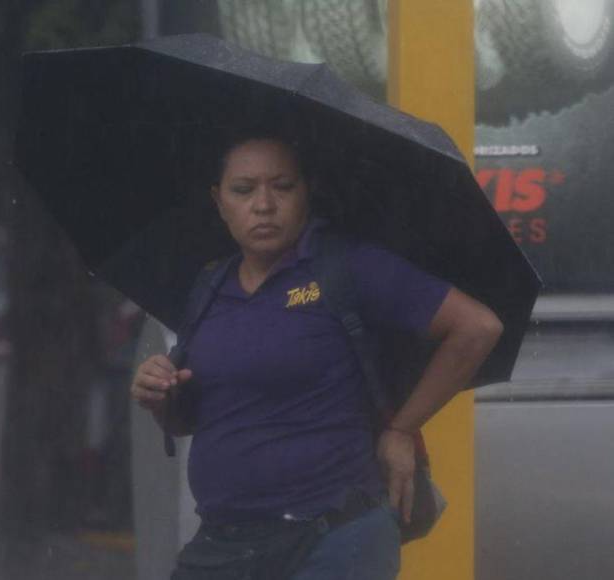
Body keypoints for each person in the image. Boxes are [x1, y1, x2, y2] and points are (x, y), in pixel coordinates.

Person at [130, 133, 503, 579]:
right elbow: (188, 420)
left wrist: (403, 428)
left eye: (282, 186)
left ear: (306, 191)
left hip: (334, 538)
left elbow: (478, 328)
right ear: (219, 200)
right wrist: (159, 399)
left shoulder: (347, 267)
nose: (264, 204)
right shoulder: (209, 287)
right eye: (243, 190)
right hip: (225, 542)